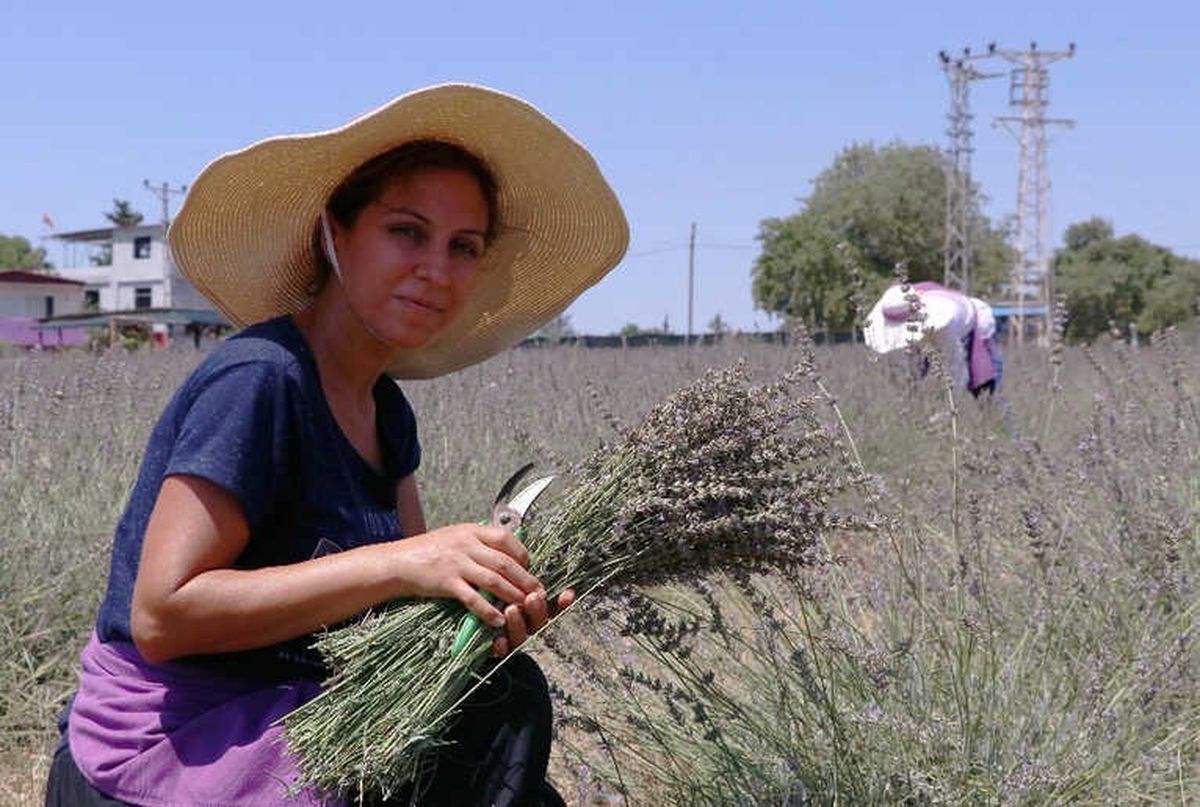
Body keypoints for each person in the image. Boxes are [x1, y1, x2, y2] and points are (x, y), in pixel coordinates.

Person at [45, 84, 629, 806]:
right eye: (407, 232)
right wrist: (402, 561)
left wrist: (479, 617)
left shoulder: (386, 413)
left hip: (288, 714)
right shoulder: (261, 380)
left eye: (463, 247)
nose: (436, 269)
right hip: (166, 750)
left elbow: (396, 616)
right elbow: (163, 616)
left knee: (503, 704)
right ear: (334, 233)